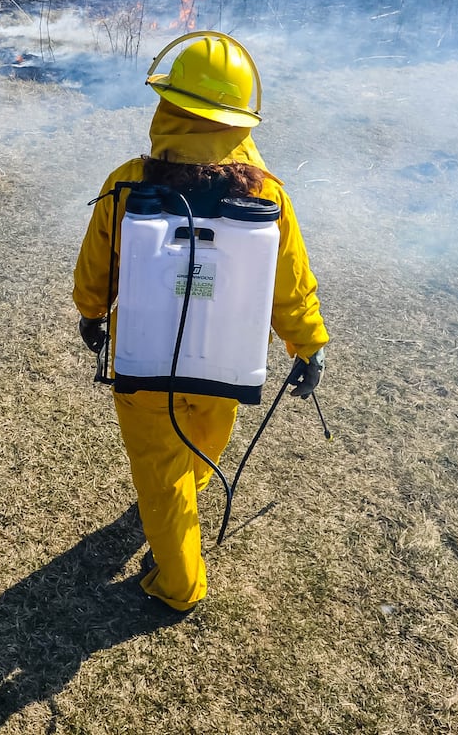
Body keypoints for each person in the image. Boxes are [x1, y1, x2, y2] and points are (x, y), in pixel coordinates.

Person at [72, 31, 330, 612]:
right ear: (240, 121)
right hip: (226, 366)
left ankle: (179, 585)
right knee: (200, 449)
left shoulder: (126, 183)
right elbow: (289, 284)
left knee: (162, 477)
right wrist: (307, 345)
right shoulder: (268, 196)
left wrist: (91, 314)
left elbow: (96, 267)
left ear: (166, 107)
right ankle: (179, 507)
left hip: (145, 365)